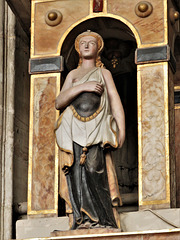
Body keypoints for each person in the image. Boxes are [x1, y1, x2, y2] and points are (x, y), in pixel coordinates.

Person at [55, 30, 125, 229]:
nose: (86, 46)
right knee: (77, 173)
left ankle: (103, 220)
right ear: (78, 49)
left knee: (95, 170)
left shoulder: (104, 73)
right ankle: (81, 220)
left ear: (98, 49)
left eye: (91, 43)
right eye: (83, 43)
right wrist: (83, 87)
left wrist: (121, 130)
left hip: (97, 130)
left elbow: (114, 101)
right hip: (72, 129)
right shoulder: (73, 75)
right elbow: (59, 102)